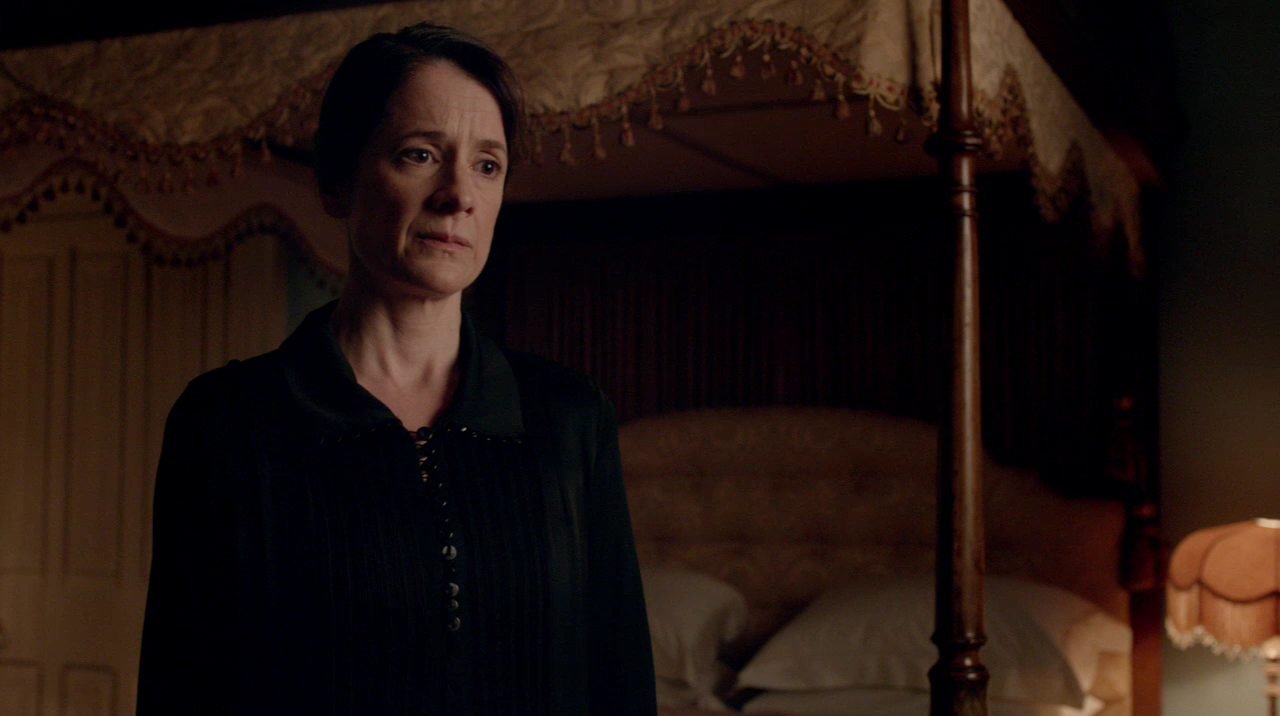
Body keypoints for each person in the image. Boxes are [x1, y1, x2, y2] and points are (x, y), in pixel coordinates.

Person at [136, 23, 656, 716]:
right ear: (337, 182)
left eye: (488, 166)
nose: (458, 194)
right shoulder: (228, 421)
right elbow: (182, 688)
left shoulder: (568, 418)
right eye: (420, 155)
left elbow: (620, 678)